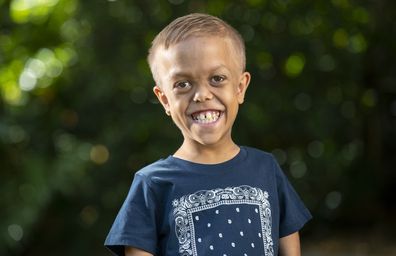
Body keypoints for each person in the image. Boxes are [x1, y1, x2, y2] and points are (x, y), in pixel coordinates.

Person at [105, 13, 312, 256]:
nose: (202, 95)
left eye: (217, 79)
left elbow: (289, 245)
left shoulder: (266, 168)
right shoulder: (151, 184)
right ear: (164, 100)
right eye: (183, 84)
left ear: (240, 88)